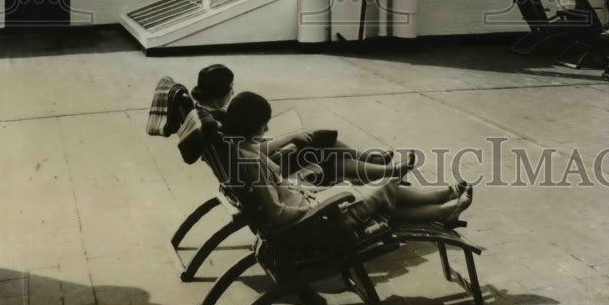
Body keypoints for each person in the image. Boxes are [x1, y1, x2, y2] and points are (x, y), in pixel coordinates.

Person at [221, 92, 473, 229]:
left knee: (381, 195)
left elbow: (277, 199)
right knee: (387, 185)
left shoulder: (240, 151)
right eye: (264, 125)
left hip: (315, 206)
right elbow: (278, 214)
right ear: (253, 126)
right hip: (320, 219)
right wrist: (319, 204)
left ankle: (442, 206)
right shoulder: (251, 162)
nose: (266, 129)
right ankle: (440, 202)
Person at [190, 64, 411, 185]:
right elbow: (250, 152)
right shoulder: (216, 122)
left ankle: (372, 163)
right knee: (326, 152)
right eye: (230, 87)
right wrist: (288, 138)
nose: (232, 91)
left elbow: (245, 149)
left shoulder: (205, 115)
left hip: (254, 169)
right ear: (220, 93)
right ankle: (385, 170)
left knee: (321, 141)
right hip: (262, 173)